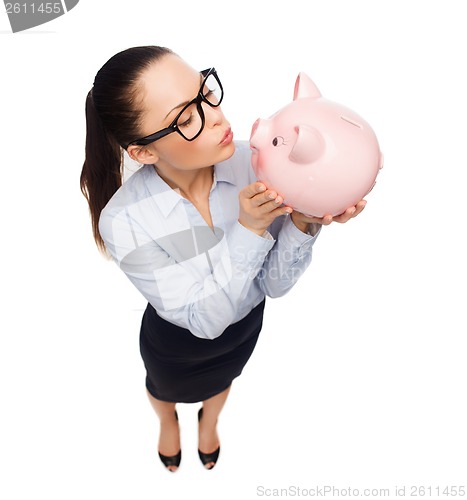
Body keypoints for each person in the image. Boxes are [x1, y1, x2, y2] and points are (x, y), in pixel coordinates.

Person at [80, 45, 366, 472]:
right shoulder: (124, 220)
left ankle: (210, 421)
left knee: (225, 379)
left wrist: (306, 222)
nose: (217, 116)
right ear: (143, 152)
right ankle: (167, 423)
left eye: (205, 93)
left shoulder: (261, 161)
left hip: (246, 325)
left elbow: (274, 286)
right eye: (186, 118)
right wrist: (250, 229)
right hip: (175, 343)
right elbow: (204, 323)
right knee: (163, 388)